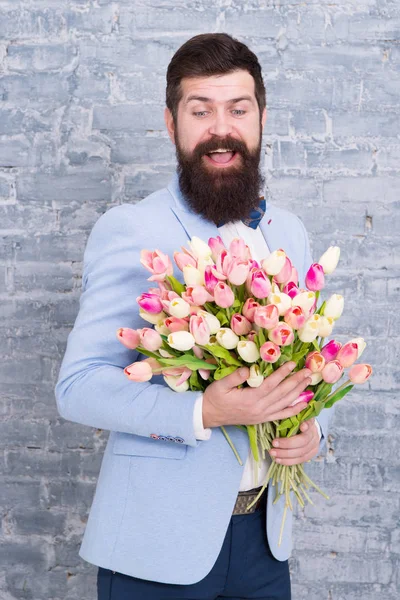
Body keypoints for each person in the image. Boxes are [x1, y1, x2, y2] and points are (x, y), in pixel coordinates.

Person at [55, 33, 334, 600]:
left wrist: (312, 431)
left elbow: (313, 365)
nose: (220, 128)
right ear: (170, 122)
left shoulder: (290, 234)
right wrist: (202, 410)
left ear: (260, 118)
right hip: (155, 546)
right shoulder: (131, 231)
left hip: (265, 542)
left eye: (237, 109)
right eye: (199, 110)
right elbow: (78, 387)